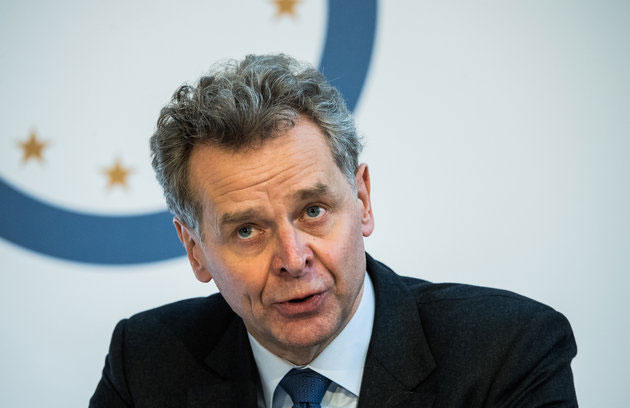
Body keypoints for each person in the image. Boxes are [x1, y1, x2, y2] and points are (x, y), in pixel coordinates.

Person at [90, 54, 578, 408]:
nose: (293, 258)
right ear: (195, 250)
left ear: (362, 200)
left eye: (313, 211)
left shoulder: (506, 351)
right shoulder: (146, 363)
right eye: (247, 231)